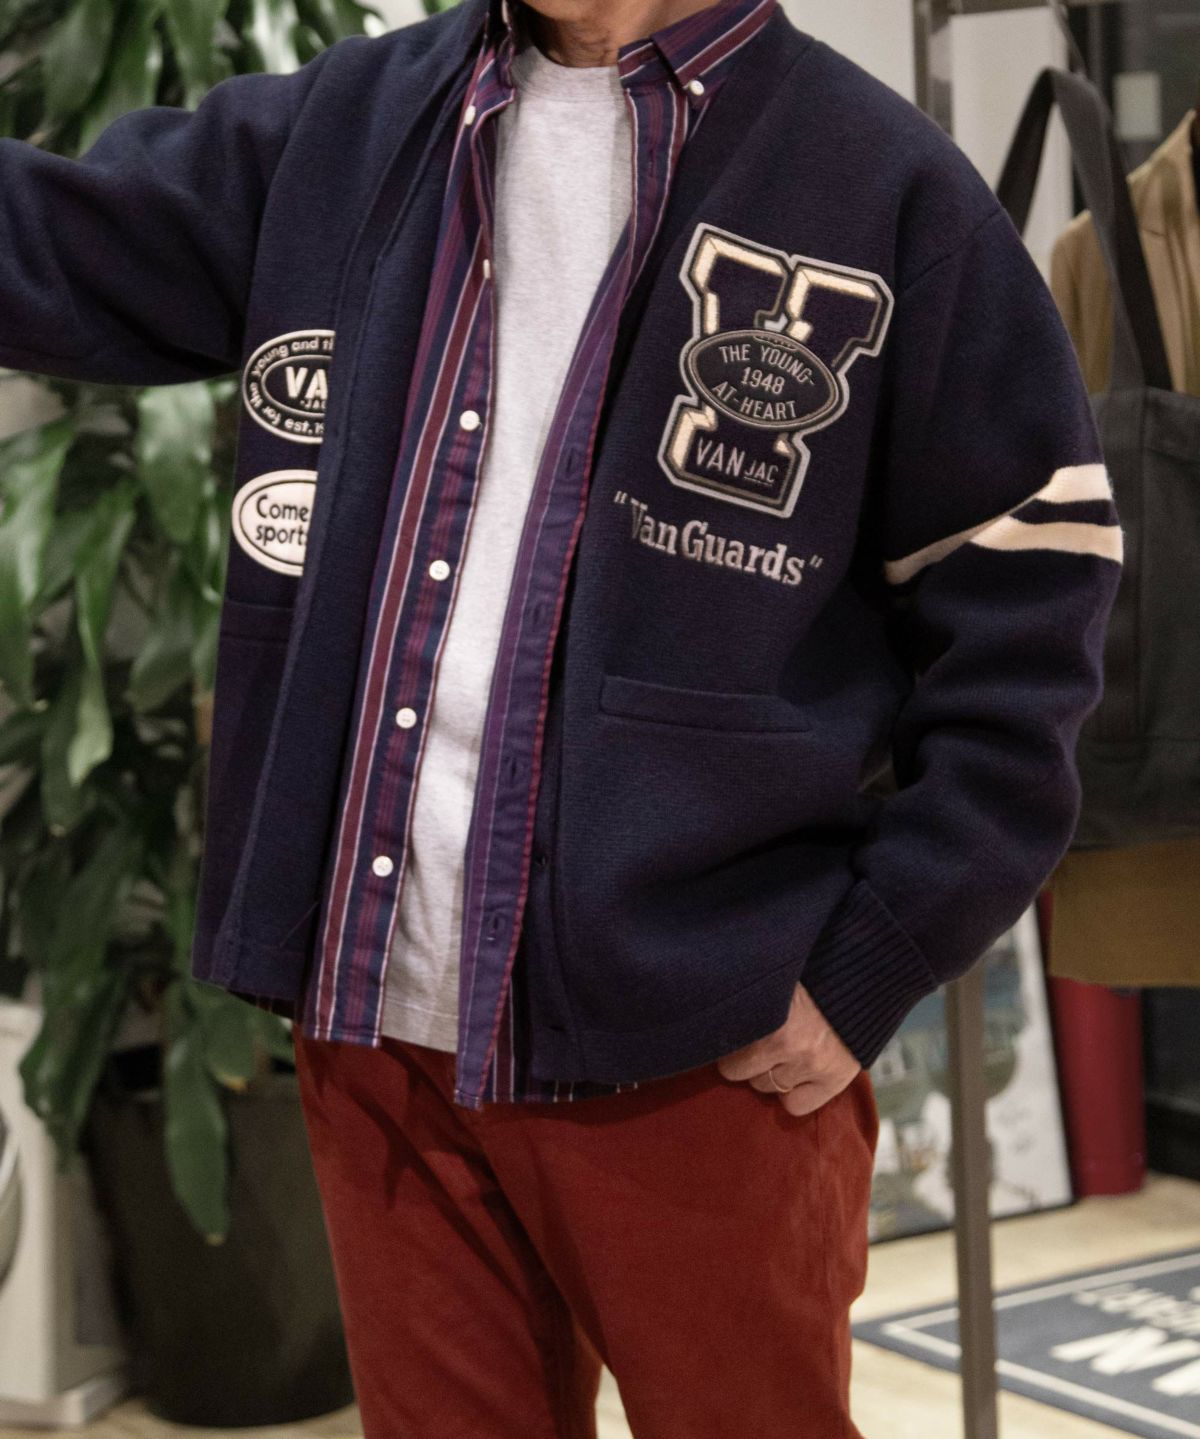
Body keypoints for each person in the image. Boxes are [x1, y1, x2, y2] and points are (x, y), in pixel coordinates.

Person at [0, 0, 1122, 1433]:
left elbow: (1031, 600)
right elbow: (56, 245)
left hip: (699, 1053)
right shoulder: (354, 126)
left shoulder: (884, 187)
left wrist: (878, 952)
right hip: (379, 1026)